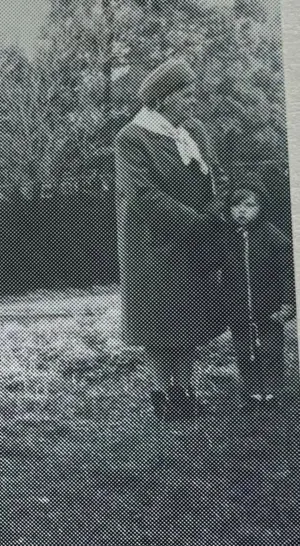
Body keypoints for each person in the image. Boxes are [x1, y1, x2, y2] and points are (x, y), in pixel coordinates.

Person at [114, 58, 223, 421]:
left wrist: (214, 211)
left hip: (193, 241)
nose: (193, 100)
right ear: (163, 98)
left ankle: (187, 391)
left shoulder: (194, 131)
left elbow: (216, 177)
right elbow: (143, 195)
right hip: (152, 247)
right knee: (159, 325)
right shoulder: (132, 138)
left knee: (190, 319)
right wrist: (195, 222)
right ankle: (164, 396)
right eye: (186, 94)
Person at [217, 174, 295, 411]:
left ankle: (271, 393)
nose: (242, 211)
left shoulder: (273, 237)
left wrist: (289, 302)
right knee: (244, 350)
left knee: (270, 349)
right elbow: (216, 270)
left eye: (250, 205)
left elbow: (287, 272)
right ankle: (251, 393)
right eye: (236, 205)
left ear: (261, 207)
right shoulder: (226, 237)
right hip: (238, 309)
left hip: (269, 309)